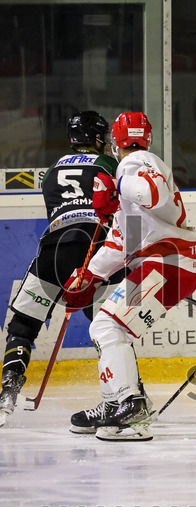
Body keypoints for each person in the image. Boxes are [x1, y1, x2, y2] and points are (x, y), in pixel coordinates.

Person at [63, 112, 196, 441]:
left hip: (168, 262)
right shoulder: (139, 167)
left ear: (114, 143)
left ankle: (132, 407)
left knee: (106, 326)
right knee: (109, 327)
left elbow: (153, 194)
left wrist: (117, 185)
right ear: (149, 137)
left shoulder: (135, 162)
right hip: (170, 264)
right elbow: (121, 242)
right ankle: (116, 402)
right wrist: (91, 275)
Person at [0, 111, 117, 426]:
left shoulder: (52, 170)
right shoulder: (109, 165)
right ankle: (126, 394)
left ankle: (8, 389)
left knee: (22, 325)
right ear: (96, 137)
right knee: (111, 328)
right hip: (97, 250)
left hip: (54, 251)